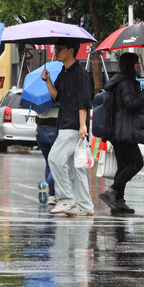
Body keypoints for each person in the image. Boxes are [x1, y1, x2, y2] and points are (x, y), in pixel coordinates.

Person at [41, 39, 94, 217]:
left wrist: (82, 125)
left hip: (73, 126)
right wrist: (48, 81)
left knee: (55, 159)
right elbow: (57, 96)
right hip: (65, 124)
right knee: (75, 169)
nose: (56, 51)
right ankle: (85, 206)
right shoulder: (63, 73)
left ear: (71, 50)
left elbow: (84, 102)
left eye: (59, 48)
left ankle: (65, 200)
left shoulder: (81, 74)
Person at [99, 52, 144, 215]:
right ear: (130, 64)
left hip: (119, 130)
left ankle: (118, 201)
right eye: (136, 63)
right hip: (125, 131)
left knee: (123, 166)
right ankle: (113, 192)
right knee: (136, 163)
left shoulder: (119, 81)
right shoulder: (127, 83)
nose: (138, 66)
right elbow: (130, 103)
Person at [35, 106, 59, 205]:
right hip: (53, 129)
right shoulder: (56, 92)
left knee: (49, 162)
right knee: (56, 163)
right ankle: (46, 184)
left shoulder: (39, 94)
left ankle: (51, 196)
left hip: (39, 129)